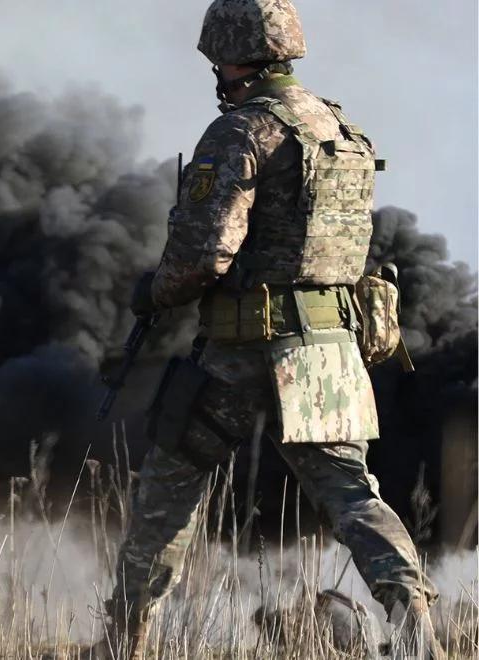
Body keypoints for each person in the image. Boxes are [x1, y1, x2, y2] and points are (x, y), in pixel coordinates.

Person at [102, 1, 445, 658]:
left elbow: (204, 255)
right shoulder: (341, 129)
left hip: (242, 353)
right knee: (355, 497)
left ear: (228, 54)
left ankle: (124, 641)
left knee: (168, 486)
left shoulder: (243, 132)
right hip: (326, 352)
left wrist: (154, 292)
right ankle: (418, 632)